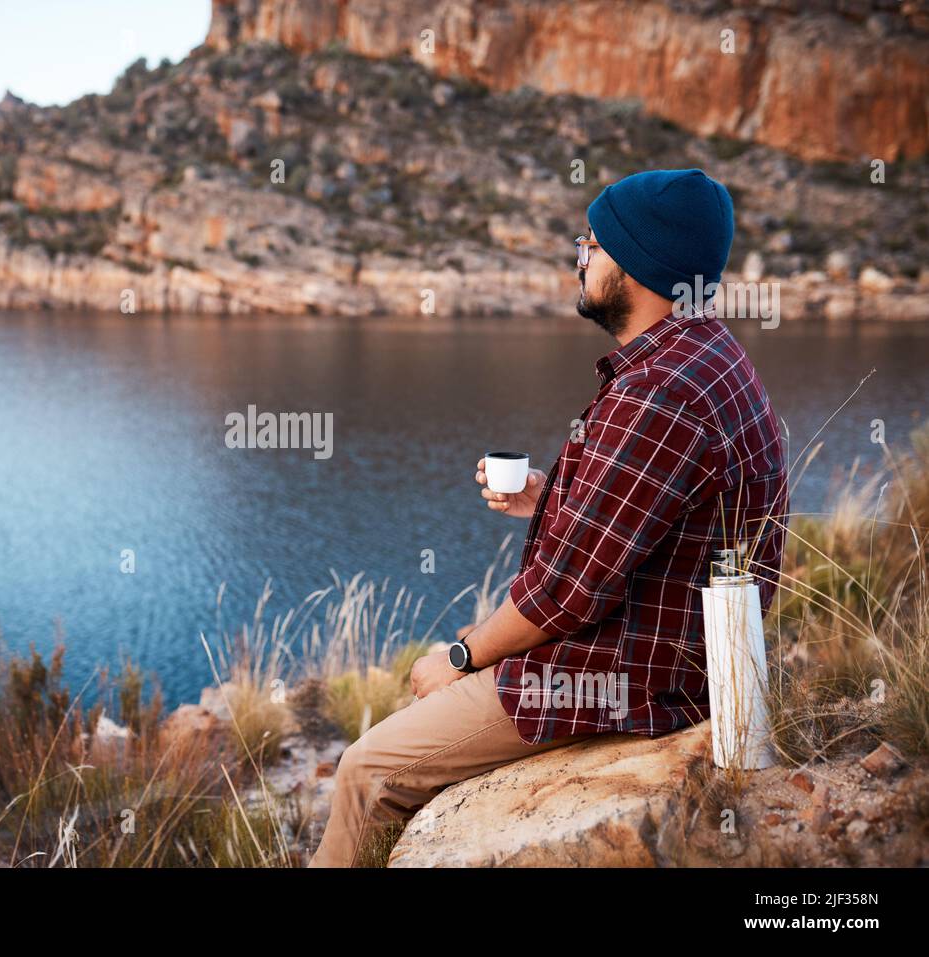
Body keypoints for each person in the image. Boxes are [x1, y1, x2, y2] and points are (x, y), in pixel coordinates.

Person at [308, 168, 789, 868]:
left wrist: (461, 656)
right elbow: (651, 516)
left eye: (592, 245)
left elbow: (563, 595)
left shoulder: (657, 393)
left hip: (621, 675)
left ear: (637, 263)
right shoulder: (708, 356)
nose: (580, 258)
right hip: (676, 658)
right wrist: (552, 494)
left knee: (365, 770)